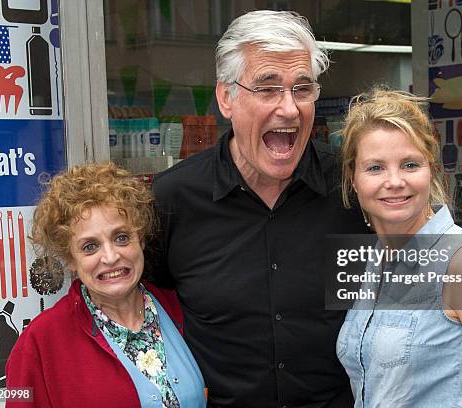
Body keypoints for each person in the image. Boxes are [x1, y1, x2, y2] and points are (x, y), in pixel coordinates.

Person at [148, 10, 368, 407]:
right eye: (267, 89)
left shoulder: (353, 189)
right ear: (226, 97)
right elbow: (131, 311)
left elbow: (429, 286)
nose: (289, 109)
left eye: (302, 89)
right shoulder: (173, 199)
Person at [337, 88, 462, 407]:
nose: (394, 181)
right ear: (354, 178)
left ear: (430, 168)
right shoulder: (374, 260)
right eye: (375, 167)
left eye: (409, 165)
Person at [6, 162, 206, 407]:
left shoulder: (177, 307)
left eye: (121, 238)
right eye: (90, 246)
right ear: (70, 259)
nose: (110, 257)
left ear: (140, 239)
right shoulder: (40, 342)